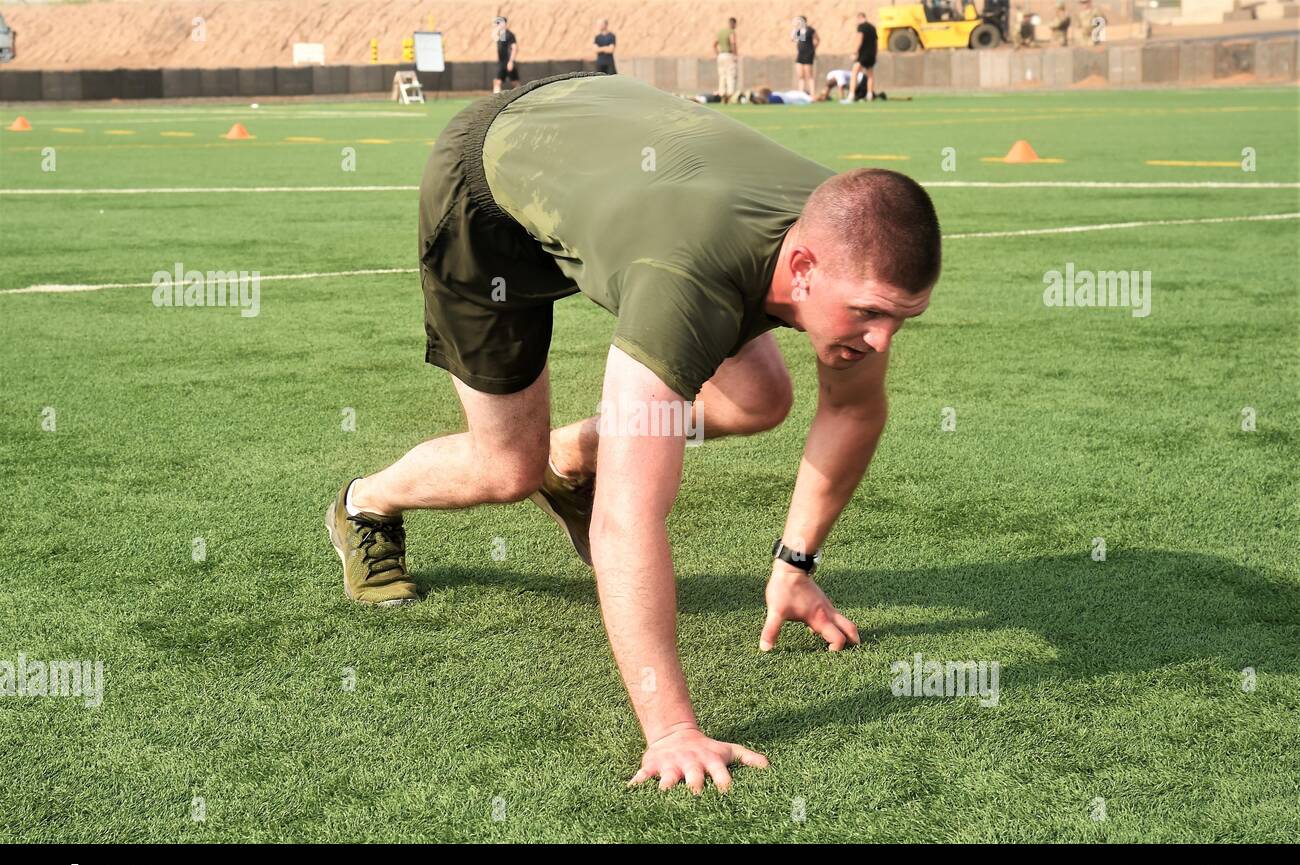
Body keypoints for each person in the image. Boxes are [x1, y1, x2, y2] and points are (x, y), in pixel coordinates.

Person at [326, 72, 941, 795]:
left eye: (902, 318)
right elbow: (626, 520)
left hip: (611, 149)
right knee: (506, 468)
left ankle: (573, 457)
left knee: (759, 396)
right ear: (802, 269)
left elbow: (855, 410)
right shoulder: (686, 278)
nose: (881, 340)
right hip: (487, 193)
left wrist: (795, 564)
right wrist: (672, 730)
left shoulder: (843, 231)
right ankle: (366, 503)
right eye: (870, 313)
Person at [850, 12, 877, 103]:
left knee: (854, 73)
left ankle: (851, 94)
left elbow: (859, 39)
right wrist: (875, 54)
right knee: (870, 75)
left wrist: (855, 52)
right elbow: (876, 42)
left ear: (860, 18)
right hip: (871, 54)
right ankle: (869, 95)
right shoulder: (873, 28)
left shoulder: (861, 27)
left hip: (863, 55)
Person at [713, 17, 740, 103]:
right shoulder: (731, 32)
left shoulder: (721, 32)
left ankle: (722, 94)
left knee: (722, 76)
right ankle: (730, 95)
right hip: (729, 55)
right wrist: (735, 55)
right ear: (733, 24)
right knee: (731, 75)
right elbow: (733, 43)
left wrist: (717, 54)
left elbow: (714, 44)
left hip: (721, 55)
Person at [791, 16, 818, 97]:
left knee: (809, 75)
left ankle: (812, 94)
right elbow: (793, 39)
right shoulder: (799, 31)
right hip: (800, 54)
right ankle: (801, 94)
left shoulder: (810, 30)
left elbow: (817, 39)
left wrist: (813, 49)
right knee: (800, 75)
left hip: (808, 54)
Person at [492, 16, 519, 93]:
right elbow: (494, 36)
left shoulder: (509, 34)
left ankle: (521, 98)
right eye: (498, 23)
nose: (498, 25)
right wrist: (497, 27)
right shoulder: (502, 35)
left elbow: (514, 48)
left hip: (508, 62)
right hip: (501, 63)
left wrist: (511, 61)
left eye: (499, 23)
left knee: (515, 83)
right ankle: (495, 102)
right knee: (497, 82)